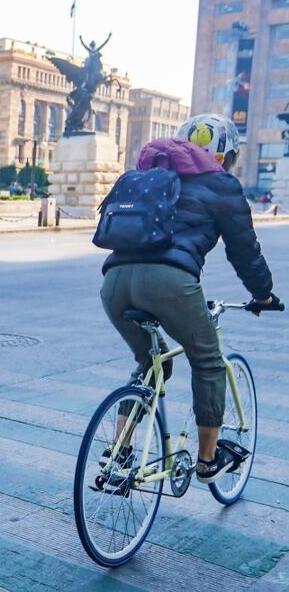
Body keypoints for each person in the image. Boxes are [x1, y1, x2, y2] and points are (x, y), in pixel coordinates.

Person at [100, 114, 277, 484]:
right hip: (171, 283)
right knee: (209, 361)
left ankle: (119, 452)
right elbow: (244, 251)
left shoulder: (151, 176)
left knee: (151, 362)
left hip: (114, 281)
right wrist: (262, 294)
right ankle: (208, 460)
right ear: (225, 155)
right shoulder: (221, 184)